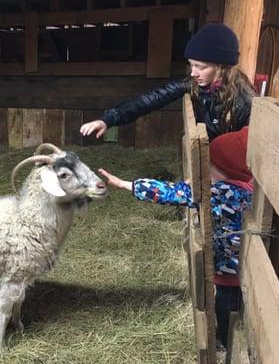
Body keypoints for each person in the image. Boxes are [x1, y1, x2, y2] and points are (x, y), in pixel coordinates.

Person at [97, 126, 252, 349]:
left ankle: (226, 343)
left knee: (226, 305)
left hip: (228, 269)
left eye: (209, 166)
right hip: (247, 265)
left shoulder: (218, 192)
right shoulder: (248, 188)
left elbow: (169, 192)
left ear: (227, 170)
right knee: (241, 304)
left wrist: (127, 185)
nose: (203, 171)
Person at [80, 23, 255, 141]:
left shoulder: (243, 101)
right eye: (191, 65)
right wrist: (107, 120)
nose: (193, 72)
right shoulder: (194, 85)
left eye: (200, 67)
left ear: (221, 66)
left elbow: (247, 146)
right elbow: (150, 99)